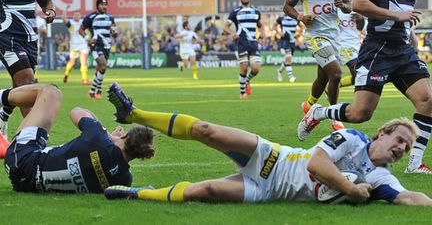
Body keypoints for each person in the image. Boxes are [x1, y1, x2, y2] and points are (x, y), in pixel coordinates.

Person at [103, 82, 431, 205]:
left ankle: (134, 193)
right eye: (400, 139)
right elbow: (316, 164)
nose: (402, 148)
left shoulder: (382, 178)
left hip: (270, 192)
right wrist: (350, 189)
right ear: (382, 134)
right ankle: (133, 114)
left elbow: (408, 197)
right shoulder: (352, 138)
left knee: (203, 192)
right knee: (206, 130)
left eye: (406, 147)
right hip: (273, 157)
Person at [297, 0, 432, 174]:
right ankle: (319, 113)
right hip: (378, 50)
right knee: (360, 114)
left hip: (403, 51)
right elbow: (359, 3)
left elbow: (403, 11)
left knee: (427, 101)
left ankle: (415, 163)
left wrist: (409, 33)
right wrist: (395, 16)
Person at [2, 84, 155, 193]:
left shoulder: (98, 137)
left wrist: (108, 134)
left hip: (21, 157)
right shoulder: (124, 179)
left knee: (51, 92)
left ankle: (3, 98)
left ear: (124, 135)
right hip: (24, 184)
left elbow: (76, 112)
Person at [284, 0, 351, 131]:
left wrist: (342, 6)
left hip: (335, 35)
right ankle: (334, 116)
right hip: (315, 36)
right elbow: (287, 6)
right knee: (336, 74)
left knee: (323, 77)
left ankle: (308, 104)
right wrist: (300, 16)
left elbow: (349, 7)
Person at [0, 0, 55, 139]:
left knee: (20, 88)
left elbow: (45, 1)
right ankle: (32, 136)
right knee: (27, 82)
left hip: (31, 40)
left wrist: (50, 10)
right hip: (7, 39)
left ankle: (4, 113)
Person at [223, 0, 266, 100]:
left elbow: (260, 25)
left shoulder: (256, 11)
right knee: (243, 67)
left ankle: (247, 81)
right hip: (241, 42)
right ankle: (242, 93)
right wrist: (232, 33)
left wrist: (262, 33)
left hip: (253, 43)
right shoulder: (235, 12)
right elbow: (225, 26)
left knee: (256, 69)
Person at [80, 0, 117, 99]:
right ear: (97, 6)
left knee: (100, 68)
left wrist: (114, 31)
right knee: (103, 65)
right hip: (95, 45)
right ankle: (98, 89)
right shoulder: (90, 17)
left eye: (106, 5)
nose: (104, 7)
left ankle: (92, 90)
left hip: (106, 45)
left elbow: (114, 33)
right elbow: (81, 29)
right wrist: (88, 39)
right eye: (102, 5)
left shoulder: (110, 17)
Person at [62, 5, 90, 85]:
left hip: (83, 45)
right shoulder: (71, 24)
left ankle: (84, 79)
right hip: (74, 46)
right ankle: (66, 74)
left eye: (78, 15)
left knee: (83, 62)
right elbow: (64, 19)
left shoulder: (83, 23)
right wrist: (65, 10)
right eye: (75, 15)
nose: (77, 16)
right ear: (73, 16)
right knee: (72, 63)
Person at [273, 14, 299, 83]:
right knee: (288, 57)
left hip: (292, 41)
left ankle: (279, 71)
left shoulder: (296, 18)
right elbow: (274, 25)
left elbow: (302, 26)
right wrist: (279, 32)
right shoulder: (281, 18)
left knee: (288, 59)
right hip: (284, 40)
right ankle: (291, 77)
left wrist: (299, 34)